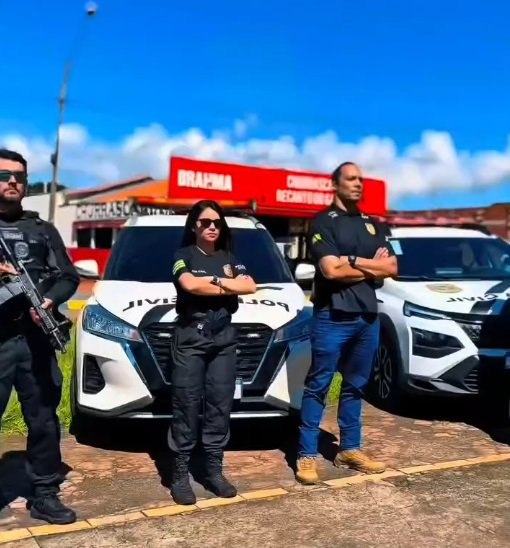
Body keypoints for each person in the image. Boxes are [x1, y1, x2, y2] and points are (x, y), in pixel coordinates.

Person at [295, 161, 398, 485]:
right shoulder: (323, 221)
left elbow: (392, 267)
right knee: (319, 386)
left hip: (367, 317)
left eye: (360, 179)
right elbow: (330, 270)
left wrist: (350, 261)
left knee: (355, 386)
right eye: (351, 179)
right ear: (335, 184)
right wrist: (370, 266)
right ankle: (306, 454)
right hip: (332, 316)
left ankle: (349, 449)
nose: (358, 184)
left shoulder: (373, 224)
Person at [0, 149, 79, 523]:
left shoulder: (42, 229)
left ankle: (45, 493)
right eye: (4, 175)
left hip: (35, 339)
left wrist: (49, 300)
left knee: (45, 419)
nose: (13, 181)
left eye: (20, 176)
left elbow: (68, 276)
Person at [170, 199, 256, 505]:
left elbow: (250, 286)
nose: (211, 227)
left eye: (217, 223)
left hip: (223, 338)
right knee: (186, 403)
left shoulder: (229, 257)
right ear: (194, 226)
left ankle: (213, 471)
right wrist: (226, 284)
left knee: (220, 403)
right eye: (205, 222)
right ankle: (180, 474)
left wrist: (215, 281)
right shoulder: (183, 255)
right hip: (192, 335)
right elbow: (190, 285)